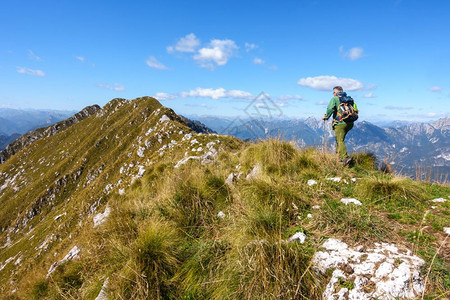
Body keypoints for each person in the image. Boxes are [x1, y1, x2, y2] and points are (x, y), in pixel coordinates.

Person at [322, 86, 354, 166]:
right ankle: (338, 158)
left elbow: (330, 109)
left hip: (340, 123)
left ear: (335, 92)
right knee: (339, 140)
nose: (333, 94)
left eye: (333, 92)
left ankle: (345, 158)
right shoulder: (348, 99)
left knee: (340, 140)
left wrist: (326, 117)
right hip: (350, 123)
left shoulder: (335, 99)